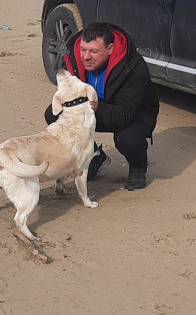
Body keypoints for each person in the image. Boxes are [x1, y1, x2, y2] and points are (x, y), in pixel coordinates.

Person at [45, 22, 159, 191]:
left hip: (134, 113)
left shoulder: (133, 65)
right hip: (93, 108)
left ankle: (138, 167)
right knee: (54, 115)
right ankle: (94, 156)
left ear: (110, 49)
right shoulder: (73, 57)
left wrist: (95, 107)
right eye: (83, 50)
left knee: (127, 139)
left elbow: (125, 114)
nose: (86, 57)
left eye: (93, 51)